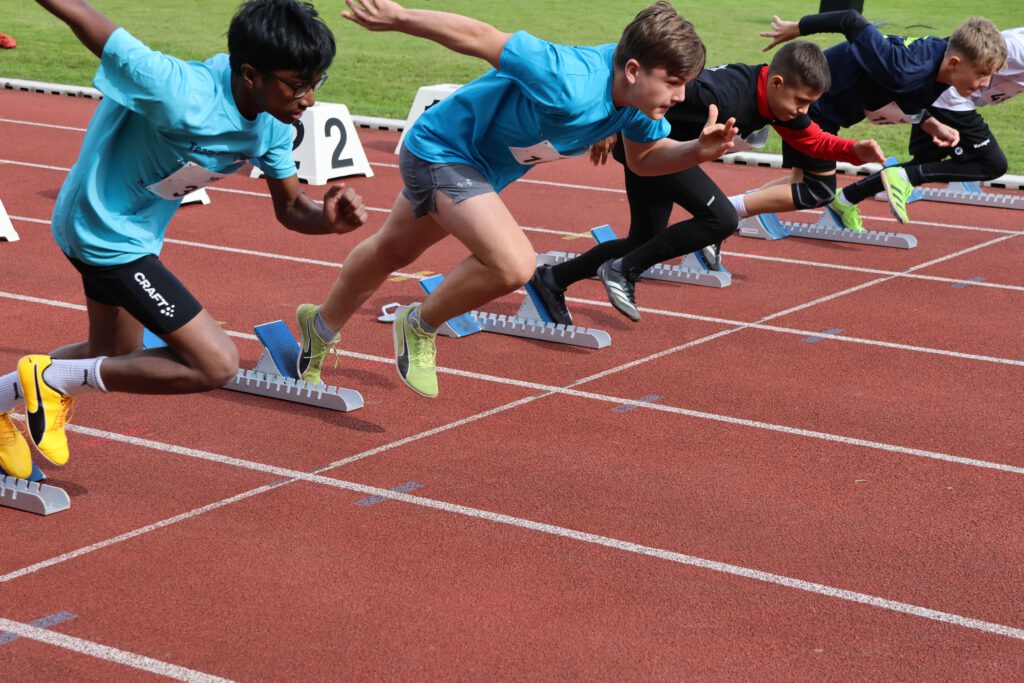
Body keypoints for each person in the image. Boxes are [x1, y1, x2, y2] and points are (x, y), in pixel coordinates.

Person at [296, 0, 737, 399]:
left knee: (393, 250)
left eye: (685, 84)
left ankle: (319, 327)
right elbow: (481, 37)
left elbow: (645, 160)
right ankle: (419, 324)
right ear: (635, 70)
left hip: (479, 171)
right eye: (673, 83)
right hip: (442, 150)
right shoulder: (569, 78)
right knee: (514, 264)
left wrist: (696, 151)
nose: (681, 96)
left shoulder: (638, 106)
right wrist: (399, 17)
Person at [0, 0, 367, 480]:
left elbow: (293, 207)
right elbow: (87, 20)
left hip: (139, 235)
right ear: (250, 74)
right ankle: (50, 381)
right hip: (99, 228)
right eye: (298, 85)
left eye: (318, 82)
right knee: (215, 363)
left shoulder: (274, 124)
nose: (310, 100)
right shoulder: (178, 89)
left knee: (112, 351)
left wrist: (328, 220)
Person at [529, 40, 885, 323]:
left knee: (643, 239)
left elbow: (813, 140)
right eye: (802, 102)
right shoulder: (720, 95)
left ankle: (552, 280)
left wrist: (853, 150)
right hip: (648, 149)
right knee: (722, 218)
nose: (803, 111)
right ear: (777, 83)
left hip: (665, 151)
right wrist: (610, 123)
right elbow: (651, 83)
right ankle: (623, 271)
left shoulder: (777, 101)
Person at [702, 10, 1007, 269]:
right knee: (817, 189)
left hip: (829, 110)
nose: (985, 84)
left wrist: (931, 125)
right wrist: (798, 27)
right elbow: (851, 20)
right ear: (955, 62)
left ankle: (734, 212)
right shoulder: (903, 68)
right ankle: (723, 216)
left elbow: (910, 99)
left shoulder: (939, 67)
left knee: (801, 180)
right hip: (812, 104)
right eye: (982, 73)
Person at [828, 26, 1022, 231]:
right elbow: (971, 53)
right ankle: (902, 178)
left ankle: (845, 199)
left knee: (925, 162)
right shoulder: (1018, 49)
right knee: (992, 164)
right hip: (948, 98)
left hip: (942, 96)